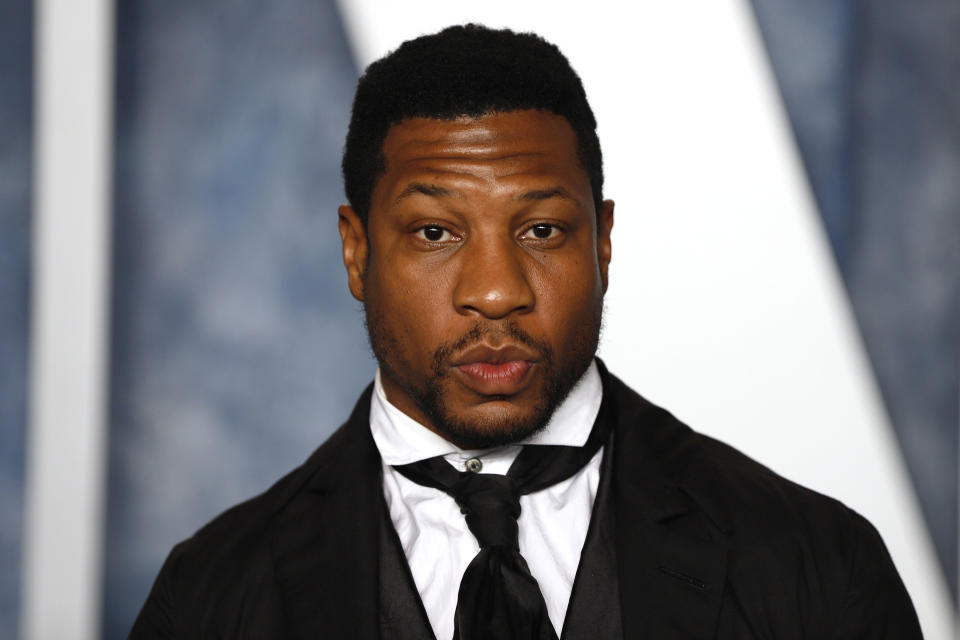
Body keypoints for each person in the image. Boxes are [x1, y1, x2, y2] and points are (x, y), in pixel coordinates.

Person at [129, 24, 922, 639]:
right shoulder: (210, 599)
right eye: (436, 233)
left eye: (541, 230)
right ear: (356, 250)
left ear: (602, 243)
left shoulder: (816, 566)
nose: (497, 292)